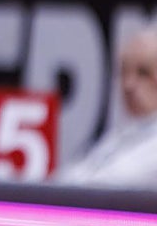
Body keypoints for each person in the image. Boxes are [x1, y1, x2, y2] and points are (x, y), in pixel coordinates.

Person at [55, 27, 157, 188]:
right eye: (124, 71)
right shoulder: (121, 135)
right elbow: (68, 178)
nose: (128, 84)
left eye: (143, 73)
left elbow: (112, 184)